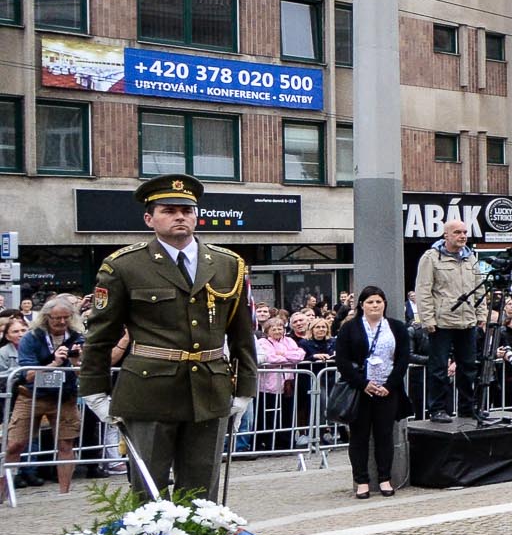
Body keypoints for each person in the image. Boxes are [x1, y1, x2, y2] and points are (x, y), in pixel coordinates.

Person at [78, 175, 256, 501]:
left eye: (187, 211)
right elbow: (101, 336)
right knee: (148, 494)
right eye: (169, 210)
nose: (180, 217)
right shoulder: (124, 266)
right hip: (149, 392)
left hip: (209, 389)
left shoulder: (228, 264)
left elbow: (243, 334)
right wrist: (94, 390)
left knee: (202, 496)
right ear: (149, 218)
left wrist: (245, 387)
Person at [334, 286, 410, 498]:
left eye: (378, 301)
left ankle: (385, 478)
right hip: (361, 390)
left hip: (387, 389)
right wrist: (362, 383)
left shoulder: (396, 327)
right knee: (358, 437)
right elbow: (342, 360)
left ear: (384, 304)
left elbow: (403, 358)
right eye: (370, 302)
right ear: (361, 305)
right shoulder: (349, 328)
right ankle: (361, 481)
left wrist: (390, 385)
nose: (375, 305)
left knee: (384, 436)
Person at [6, 296, 86, 493]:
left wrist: (78, 360)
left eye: (66, 318)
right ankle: (3, 493)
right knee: (16, 444)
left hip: (64, 396)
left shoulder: (77, 336)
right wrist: (55, 363)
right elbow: (28, 374)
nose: (61, 322)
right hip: (32, 395)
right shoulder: (31, 338)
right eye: (56, 318)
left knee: (66, 444)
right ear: (46, 317)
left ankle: (64, 494)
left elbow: (84, 371)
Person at [412, 220, 483, 422]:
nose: (463, 236)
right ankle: (437, 409)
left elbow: (479, 289)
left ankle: (467, 408)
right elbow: (423, 290)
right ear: (446, 235)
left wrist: (481, 315)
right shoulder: (431, 258)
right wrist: (428, 319)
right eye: (457, 232)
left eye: (465, 232)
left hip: (467, 321)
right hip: (442, 322)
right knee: (439, 368)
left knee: (468, 367)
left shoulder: (471, 258)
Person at [253, 315, 306, 451]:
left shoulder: (289, 341)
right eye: (274, 329)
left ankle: (286, 442)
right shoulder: (263, 342)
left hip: (287, 384)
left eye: (280, 328)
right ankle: (268, 442)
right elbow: (269, 358)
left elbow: (300, 355)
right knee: (268, 415)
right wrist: (286, 356)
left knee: (287, 414)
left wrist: (283, 355)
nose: (277, 331)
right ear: (268, 331)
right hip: (269, 386)